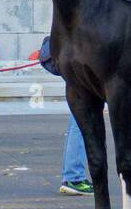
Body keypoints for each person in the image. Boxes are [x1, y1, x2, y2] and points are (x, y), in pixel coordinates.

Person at [39, 35, 92, 195]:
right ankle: (74, 177)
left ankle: (72, 175)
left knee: (78, 118)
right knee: (82, 119)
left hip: (72, 62)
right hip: (81, 64)